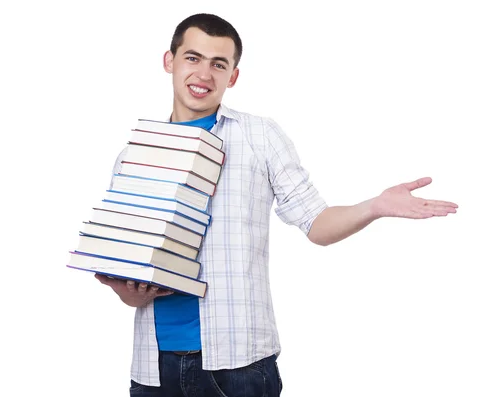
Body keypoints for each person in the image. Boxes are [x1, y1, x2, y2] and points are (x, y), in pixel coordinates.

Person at [93, 13, 458, 397]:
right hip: (154, 364)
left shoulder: (259, 137)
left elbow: (316, 222)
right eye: (193, 58)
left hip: (238, 364)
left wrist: (375, 206)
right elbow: (129, 255)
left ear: (232, 76)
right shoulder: (135, 153)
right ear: (170, 61)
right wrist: (127, 292)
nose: (204, 74)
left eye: (219, 64)